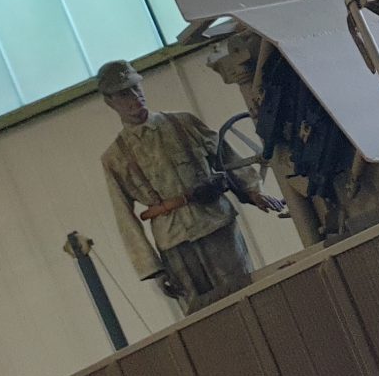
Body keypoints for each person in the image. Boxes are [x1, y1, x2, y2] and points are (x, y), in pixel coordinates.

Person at [99, 60, 284, 315]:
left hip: (217, 226)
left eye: (135, 87)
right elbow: (124, 216)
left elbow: (227, 158)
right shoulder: (115, 157)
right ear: (110, 102)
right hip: (175, 244)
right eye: (123, 94)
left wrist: (254, 191)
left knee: (248, 298)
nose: (134, 97)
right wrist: (152, 269)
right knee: (202, 316)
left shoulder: (183, 123)